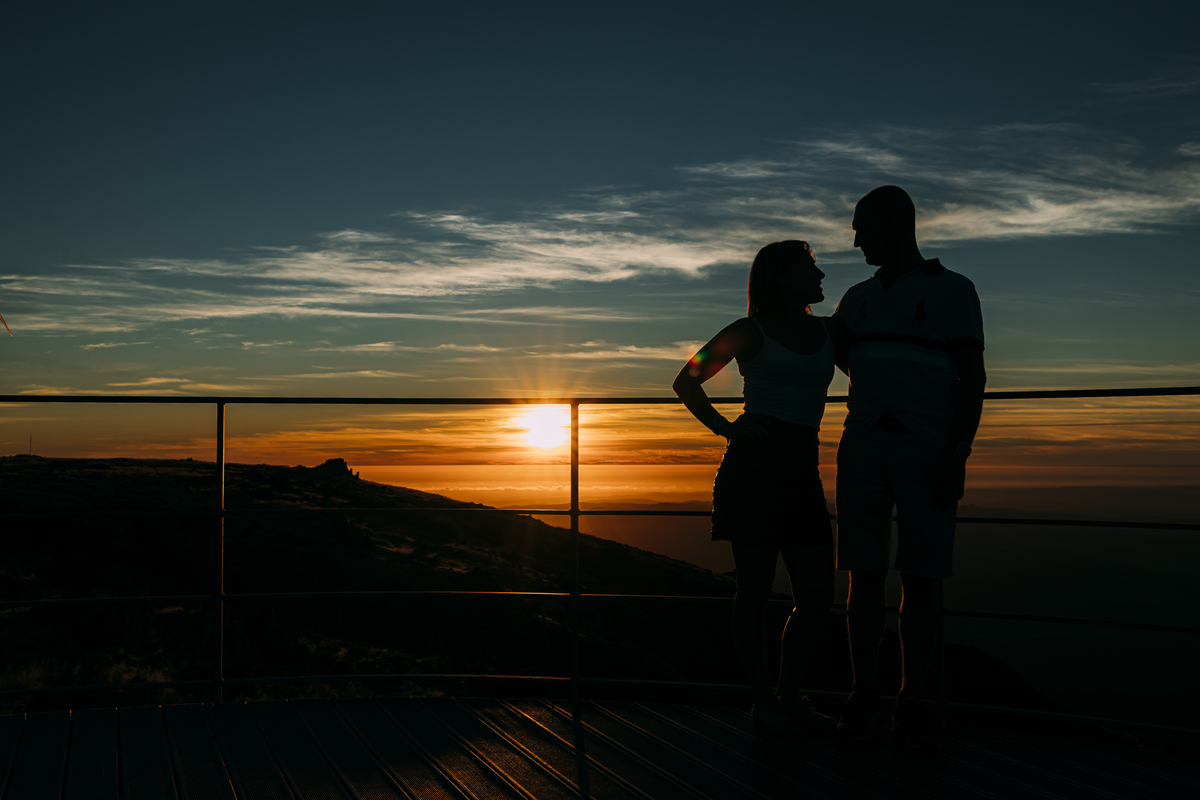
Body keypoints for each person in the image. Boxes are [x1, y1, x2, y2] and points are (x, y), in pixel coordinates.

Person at [831, 185, 986, 750]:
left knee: (920, 577)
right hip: (866, 447)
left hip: (926, 451)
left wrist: (955, 453)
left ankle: (911, 696)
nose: (856, 239)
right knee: (864, 571)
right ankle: (866, 692)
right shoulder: (856, 298)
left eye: (863, 227)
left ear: (896, 225)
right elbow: (838, 352)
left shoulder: (954, 291)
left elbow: (973, 377)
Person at [673, 240, 842, 736]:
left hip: (802, 469)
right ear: (782, 275)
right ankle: (765, 700)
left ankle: (789, 696)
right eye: (810, 267)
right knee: (753, 590)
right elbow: (687, 381)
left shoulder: (829, 332)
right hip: (754, 469)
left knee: (815, 595)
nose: (821, 276)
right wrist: (727, 429)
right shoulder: (750, 331)